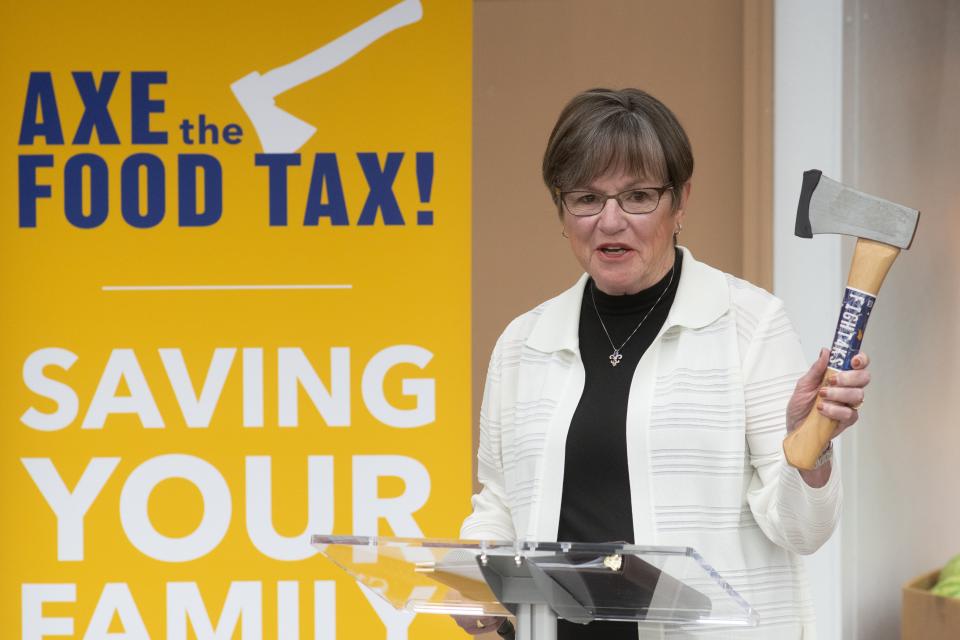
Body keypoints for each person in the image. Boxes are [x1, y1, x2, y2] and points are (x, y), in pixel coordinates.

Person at [455, 88, 870, 639]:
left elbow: (802, 530)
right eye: (586, 198)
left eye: (638, 196)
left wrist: (808, 449)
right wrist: (472, 580)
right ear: (561, 210)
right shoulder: (521, 344)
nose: (610, 221)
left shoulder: (748, 324)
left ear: (681, 202)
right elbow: (500, 505)